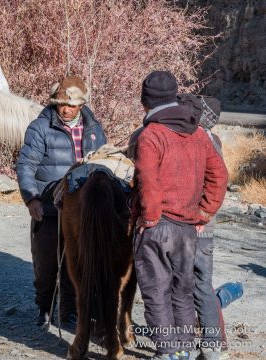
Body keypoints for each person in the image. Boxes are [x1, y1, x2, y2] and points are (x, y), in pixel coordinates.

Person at [132, 71, 228, 360]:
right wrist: (204, 212)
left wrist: (148, 217)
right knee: (183, 290)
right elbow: (220, 176)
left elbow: (147, 180)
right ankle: (185, 348)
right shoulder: (198, 133)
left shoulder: (151, 135)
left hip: (158, 226)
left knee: (156, 291)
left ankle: (167, 351)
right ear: (175, 96)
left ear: (145, 102)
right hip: (188, 228)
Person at [16, 75, 107, 326]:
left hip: (82, 209)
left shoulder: (94, 129)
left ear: (81, 105)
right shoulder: (40, 128)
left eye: (71, 105)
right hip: (48, 207)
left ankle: (69, 309)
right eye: (61, 104)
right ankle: (44, 308)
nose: (65, 109)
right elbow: (25, 165)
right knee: (46, 265)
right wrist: (31, 198)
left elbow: (102, 164)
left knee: (76, 263)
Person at [190, 95, 228, 360]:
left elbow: (212, 181)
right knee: (203, 283)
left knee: (189, 283)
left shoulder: (199, 141)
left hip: (195, 222)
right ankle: (215, 344)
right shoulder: (214, 140)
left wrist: (201, 215)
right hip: (206, 221)